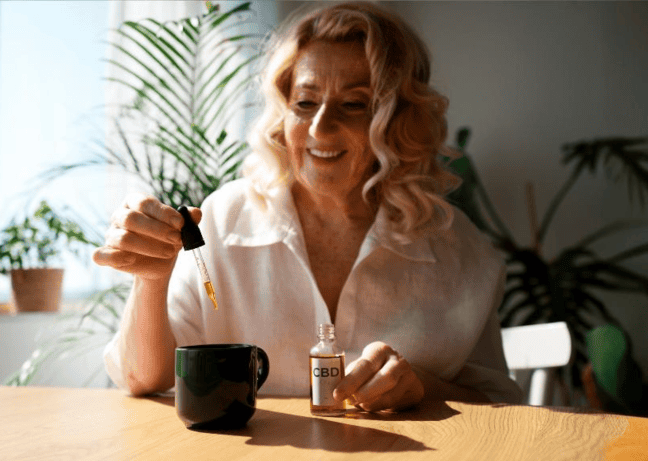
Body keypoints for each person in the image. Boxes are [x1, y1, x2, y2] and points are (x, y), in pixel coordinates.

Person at [95, 1, 522, 411]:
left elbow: (499, 403)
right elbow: (141, 378)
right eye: (304, 102)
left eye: (353, 104)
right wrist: (150, 280)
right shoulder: (224, 220)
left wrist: (424, 388)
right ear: (283, 111)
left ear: (398, 119)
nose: (321, 127)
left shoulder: (457, 250)